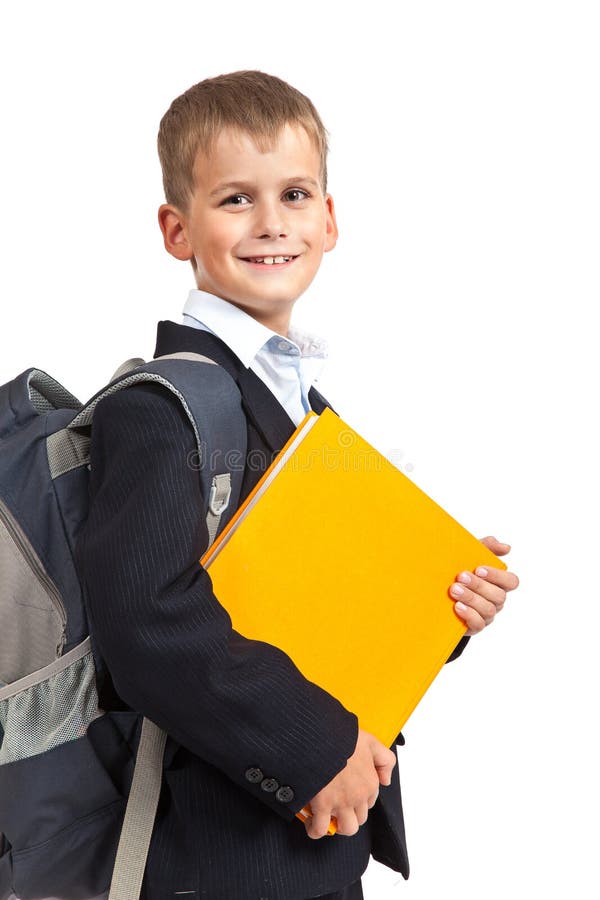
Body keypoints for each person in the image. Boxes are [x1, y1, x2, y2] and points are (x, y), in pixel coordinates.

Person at [75, 70, 519, 899]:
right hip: (215, 860)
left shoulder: (300, 400)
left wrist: (442, 605)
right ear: (177, 229)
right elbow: (149, 625)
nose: (272, 223)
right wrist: (318, 752)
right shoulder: (160, 407)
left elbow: (313, 594)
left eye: (295, 193)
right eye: (235, 199)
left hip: (308, 846)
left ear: (331, 219)